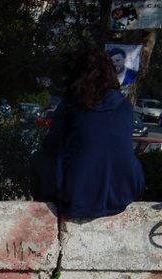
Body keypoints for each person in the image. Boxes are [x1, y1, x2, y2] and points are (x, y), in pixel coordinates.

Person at [30, 49, 145, 218]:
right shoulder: (125, 106)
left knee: (39, 159)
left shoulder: (70, 105)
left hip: (77, 197)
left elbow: (51, 146)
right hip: (123, 192)